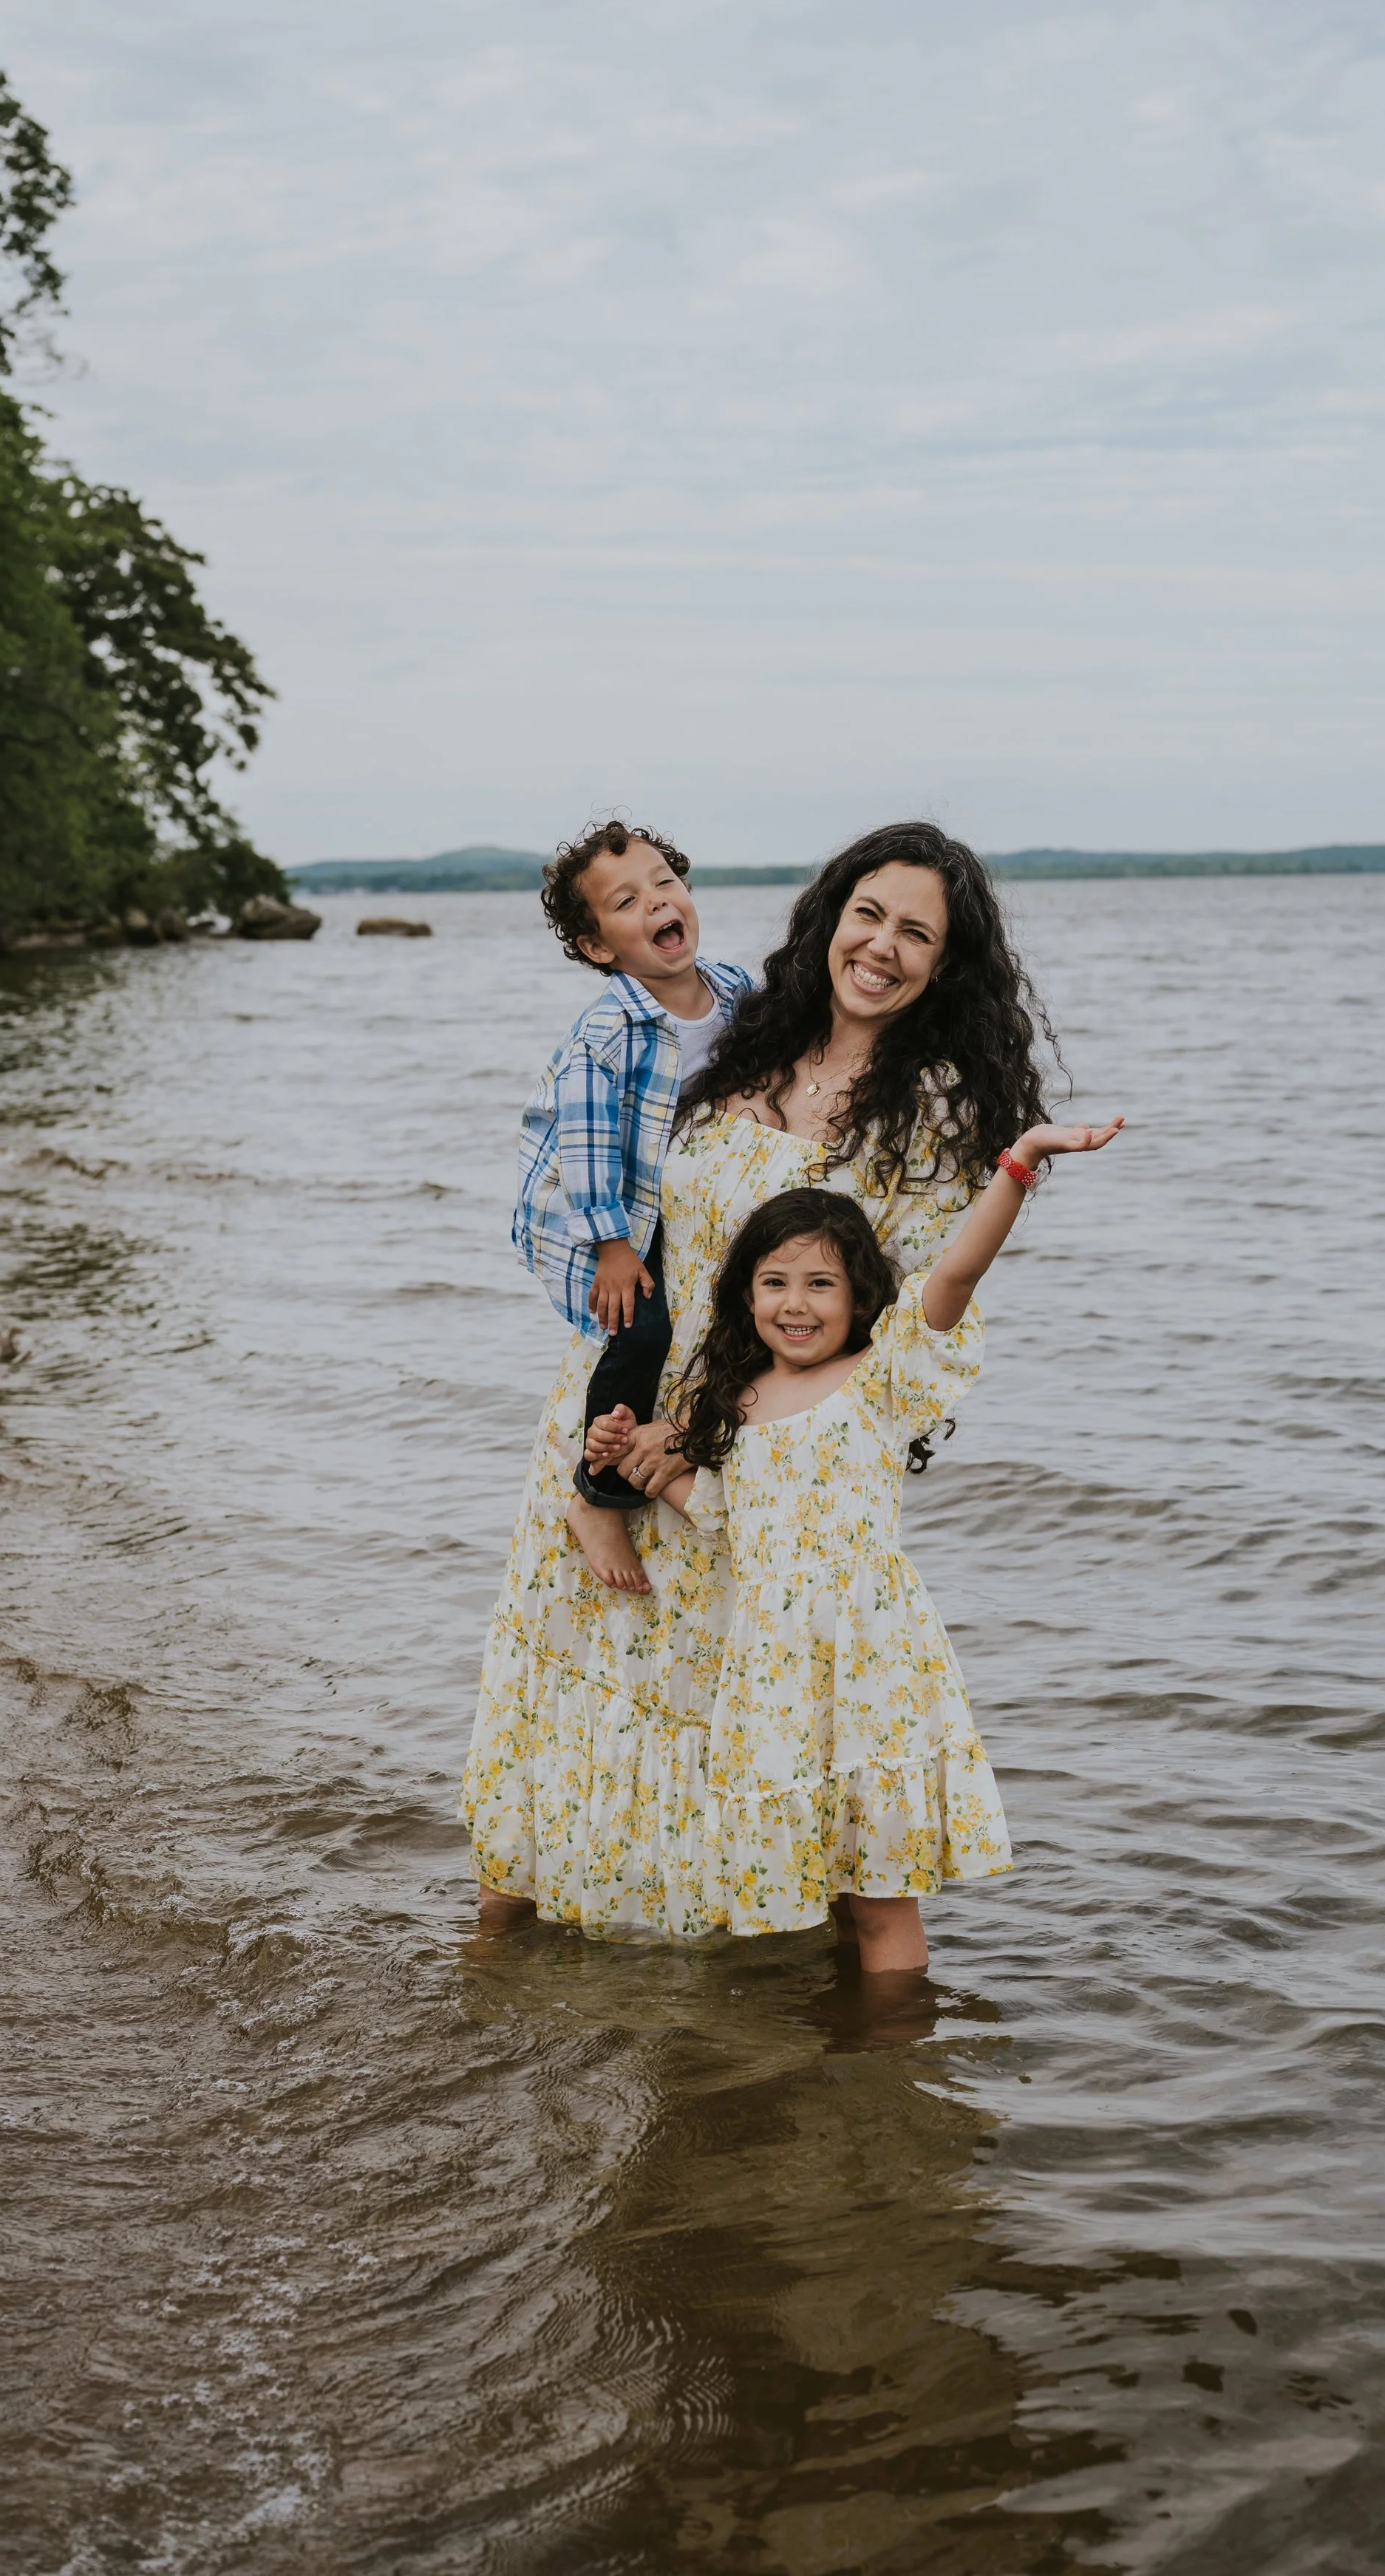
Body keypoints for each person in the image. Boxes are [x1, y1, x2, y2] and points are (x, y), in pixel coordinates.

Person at [466, 821, 1062, 1940]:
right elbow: (603, 1180)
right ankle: (493, 1990)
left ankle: (791, 2035)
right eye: (868, 914)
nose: (882, 946)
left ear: (948, 961)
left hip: (751, 1457)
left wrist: (717, 1432)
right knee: (570, 1713)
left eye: (916, 932)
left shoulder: (932, 1111)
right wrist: (613, 1445)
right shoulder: (746, 1034)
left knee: (772, 1737)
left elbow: (915, 1321)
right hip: (617, 1410)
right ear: (832, 916)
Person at [585, 1136, 1120, 1973]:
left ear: (859, 1295)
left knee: (879, 1893)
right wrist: (627, 1461)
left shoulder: (879, 1380)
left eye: (820, 1284)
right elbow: (724, 1516)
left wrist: (1019, 1162)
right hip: (773, 1670)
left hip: (868, 1662)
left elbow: (953, 1277)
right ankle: (844, 2045)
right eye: (774, 1283)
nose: (795, 1305)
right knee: (825, 1879)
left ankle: (893, 2057)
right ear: (745, 1295)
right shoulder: (734, 1400)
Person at [511, 818, 752, 1595]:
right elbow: (585, 1147)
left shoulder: (735, 989)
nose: (656, 903)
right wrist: (613, 1248)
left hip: (660, 1192)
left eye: (664, 883)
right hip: (595, 1206)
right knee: (638, 1323)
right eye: (626, 900)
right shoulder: (608, 1029)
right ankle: (596, 1490)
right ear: (597, 947)